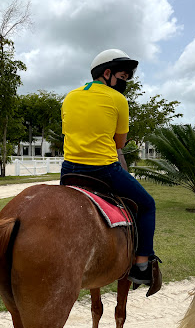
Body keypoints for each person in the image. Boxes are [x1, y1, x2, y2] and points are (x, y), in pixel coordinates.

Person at [60, 49, 160, 286]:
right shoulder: (119, 100)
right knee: (147, 205)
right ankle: (142, 265)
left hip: (69, 172)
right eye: (122, 78)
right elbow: (119, 144)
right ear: (107, 73)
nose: (124, 83)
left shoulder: (69, 97)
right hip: (103, 170)